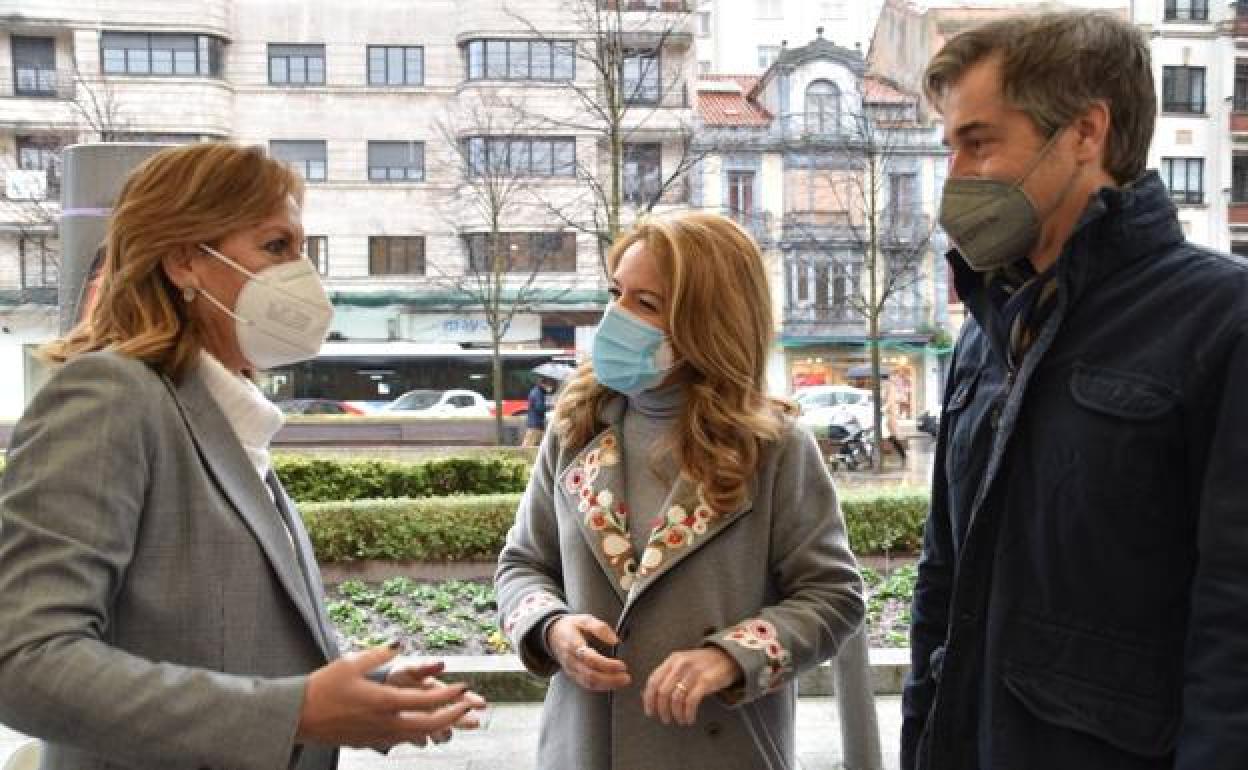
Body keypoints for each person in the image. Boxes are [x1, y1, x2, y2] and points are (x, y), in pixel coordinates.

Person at [0, 143, 485, 770]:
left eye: (302, 250)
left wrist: (362, 701)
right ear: (183, 261)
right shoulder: (111, 396)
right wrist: (294, 711)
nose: (302, 275)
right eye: (276, 247)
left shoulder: (225, 419)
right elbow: (23, 659)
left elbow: (228, 643)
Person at [905, 11, 1248, 770]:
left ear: (1086, 131)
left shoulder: (1223, 320)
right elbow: (943, 579)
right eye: (949, 147)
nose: (955, 178)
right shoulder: (985, 329)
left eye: (979, 142)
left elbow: (1235, 621)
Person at [495, 211, 864, 769]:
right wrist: (551, 628)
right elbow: (521, 564)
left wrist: (730, 657)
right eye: (617, 292)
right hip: (584, 747)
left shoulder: (773, 447)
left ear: (706, 321)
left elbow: (834, 596)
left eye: (646, 303)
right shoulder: (576, 429)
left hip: (722, 747)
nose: (616, 317)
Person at [522, 377, 554, 447]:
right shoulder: (538, 393)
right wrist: (551, 407)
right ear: (543, 384)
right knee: (528, 447)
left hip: (537, 424)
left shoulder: (538, 392)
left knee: (542, 446)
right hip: (535, 425)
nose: (550, 387)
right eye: (548, 385)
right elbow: (539, 408)